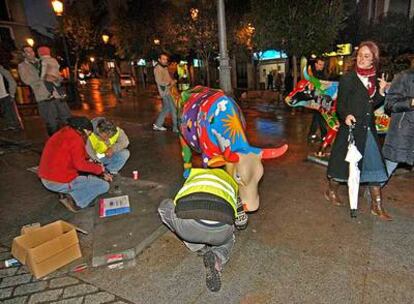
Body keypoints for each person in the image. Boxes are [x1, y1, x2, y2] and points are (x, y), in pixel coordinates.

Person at [326, 41, 391, 221]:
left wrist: (382, 91)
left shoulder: (373, 79)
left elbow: (372, 103)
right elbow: (341, 104)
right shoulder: (348, 78)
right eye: (360, 55)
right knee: (341, 167)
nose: (362, 59)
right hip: (351, 129)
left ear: (373, 60)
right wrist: (346, 115)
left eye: (367, 56)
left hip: (368, 129)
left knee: (374, 164)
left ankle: (376, 206)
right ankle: (331, 191)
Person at [158, 168, 237, 292]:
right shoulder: (231, 183)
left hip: (190, 229)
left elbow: (177, 205)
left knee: (165, 206)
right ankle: (218, 258)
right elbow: (240, 222)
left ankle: (197, 246)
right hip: (220, 231)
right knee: (229, 239)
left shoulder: (194, 175)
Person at [38, 116, 111, 212]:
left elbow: (80, 155)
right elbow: (80, 165)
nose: (88, 136)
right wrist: (100, 170)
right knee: (103, 186)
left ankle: (67, 192)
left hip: (46, 177)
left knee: (86, 179)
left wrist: (93, 163)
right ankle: (76, 201)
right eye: (88, 134)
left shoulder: (64, 132)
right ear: (82, 130)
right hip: (58, 181)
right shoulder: (75, 140)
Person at [18, 45, 71, 136]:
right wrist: (44, 78)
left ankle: (71, 139)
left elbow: (57, 75)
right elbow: (26, 80)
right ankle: (55, 143)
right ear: (24, 54)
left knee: (67, 118)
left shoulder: (43, 60)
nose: (31, 53)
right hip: (43, 96)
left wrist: (56, 79)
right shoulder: (22, 66)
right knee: (52, 122)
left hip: (56, 94)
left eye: (32, 51)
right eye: (27, 51)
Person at [382, 68, 414, 178]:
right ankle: (373, 192)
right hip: (403, 131)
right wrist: (411, 102)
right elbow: (390, 104)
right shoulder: (404, 76)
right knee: (389, 166)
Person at [153, 53, 178, 133]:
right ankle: (175, 127)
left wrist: (172, 81)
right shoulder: (158, 68)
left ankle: (158, 125)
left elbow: (167, 78)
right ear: (159, 59)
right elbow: (159, 81)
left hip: (168, 90)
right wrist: (169, 83)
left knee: (166, 108)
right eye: (163, 59)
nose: (165, 60)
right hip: (165, 92)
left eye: (166, 59)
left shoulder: (164, 67)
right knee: (173, 109)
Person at [308, 57, 328, 142]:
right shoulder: (313, 74)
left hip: (321, 99)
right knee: (320, 116)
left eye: (323, 65)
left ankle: (312, 135)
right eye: (320, 64)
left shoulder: (322, 74)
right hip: (316, 99)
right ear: (316, 64)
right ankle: (323, 135)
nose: (322, 66)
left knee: (318, 117)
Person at [0, 64, 22, 131]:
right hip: (1, 96)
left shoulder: (3, 71)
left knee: (11, 111)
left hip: (6, 94)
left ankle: (16, 126)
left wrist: (12, 94)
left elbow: (12, 82)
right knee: (4, 112)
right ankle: (9, 124)